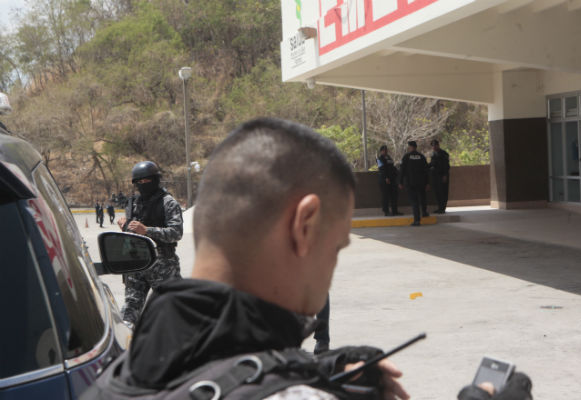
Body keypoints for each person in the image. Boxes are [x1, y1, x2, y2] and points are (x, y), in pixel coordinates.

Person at [86, 118, 532, 400]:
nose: (330, 271)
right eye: (335, 248)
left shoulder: (124, 370)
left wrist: (308, 367)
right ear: (304, 226)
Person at [117, 161, 183, 325]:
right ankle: (128, 346)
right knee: (130, 310)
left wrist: (147, 230)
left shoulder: (168, 203)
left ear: (155, 179)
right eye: (139, 182)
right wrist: (126, 226)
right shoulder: (133, 203)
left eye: (147, 181)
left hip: (163, 265)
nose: (143, 185)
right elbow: (133, 232)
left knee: (174, 311)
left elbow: (176, 233)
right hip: (137, 262)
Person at [399, 141, 430, 226]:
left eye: (408, 147)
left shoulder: (406, 157)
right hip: (421, 182)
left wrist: (400, 182)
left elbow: (402, 170)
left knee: (414, 201)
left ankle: (417, 220)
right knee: (422, 197)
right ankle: (424, 212)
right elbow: (426, 171)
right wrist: (427, 183)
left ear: (410, 147)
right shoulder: (421, 157)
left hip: (410, 183)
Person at [377, 145, 401, 216]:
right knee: (386, 196)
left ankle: (395, 211)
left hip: (392, 179)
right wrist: (386, 178)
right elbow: (382, 169)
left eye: (386, 150)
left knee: (394, 195)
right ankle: (386, 211)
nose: (386, 151)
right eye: (384, 150)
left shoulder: (389, 157)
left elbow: (392, 167)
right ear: (381, 151)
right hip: (384, 180)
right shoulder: (379, 159)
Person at [429, 139, 450, 214]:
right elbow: (431, 164)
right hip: (435, 176)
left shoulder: (443, 154)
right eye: (433, 146)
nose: (434, 147)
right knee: (437, 192)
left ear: (438, 145)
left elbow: (446, 166)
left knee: (443, 192)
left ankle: (442, 208)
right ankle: (439, 207)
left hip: (442, 176)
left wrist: (445, 175)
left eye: (435, 145)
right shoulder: (433, 154)